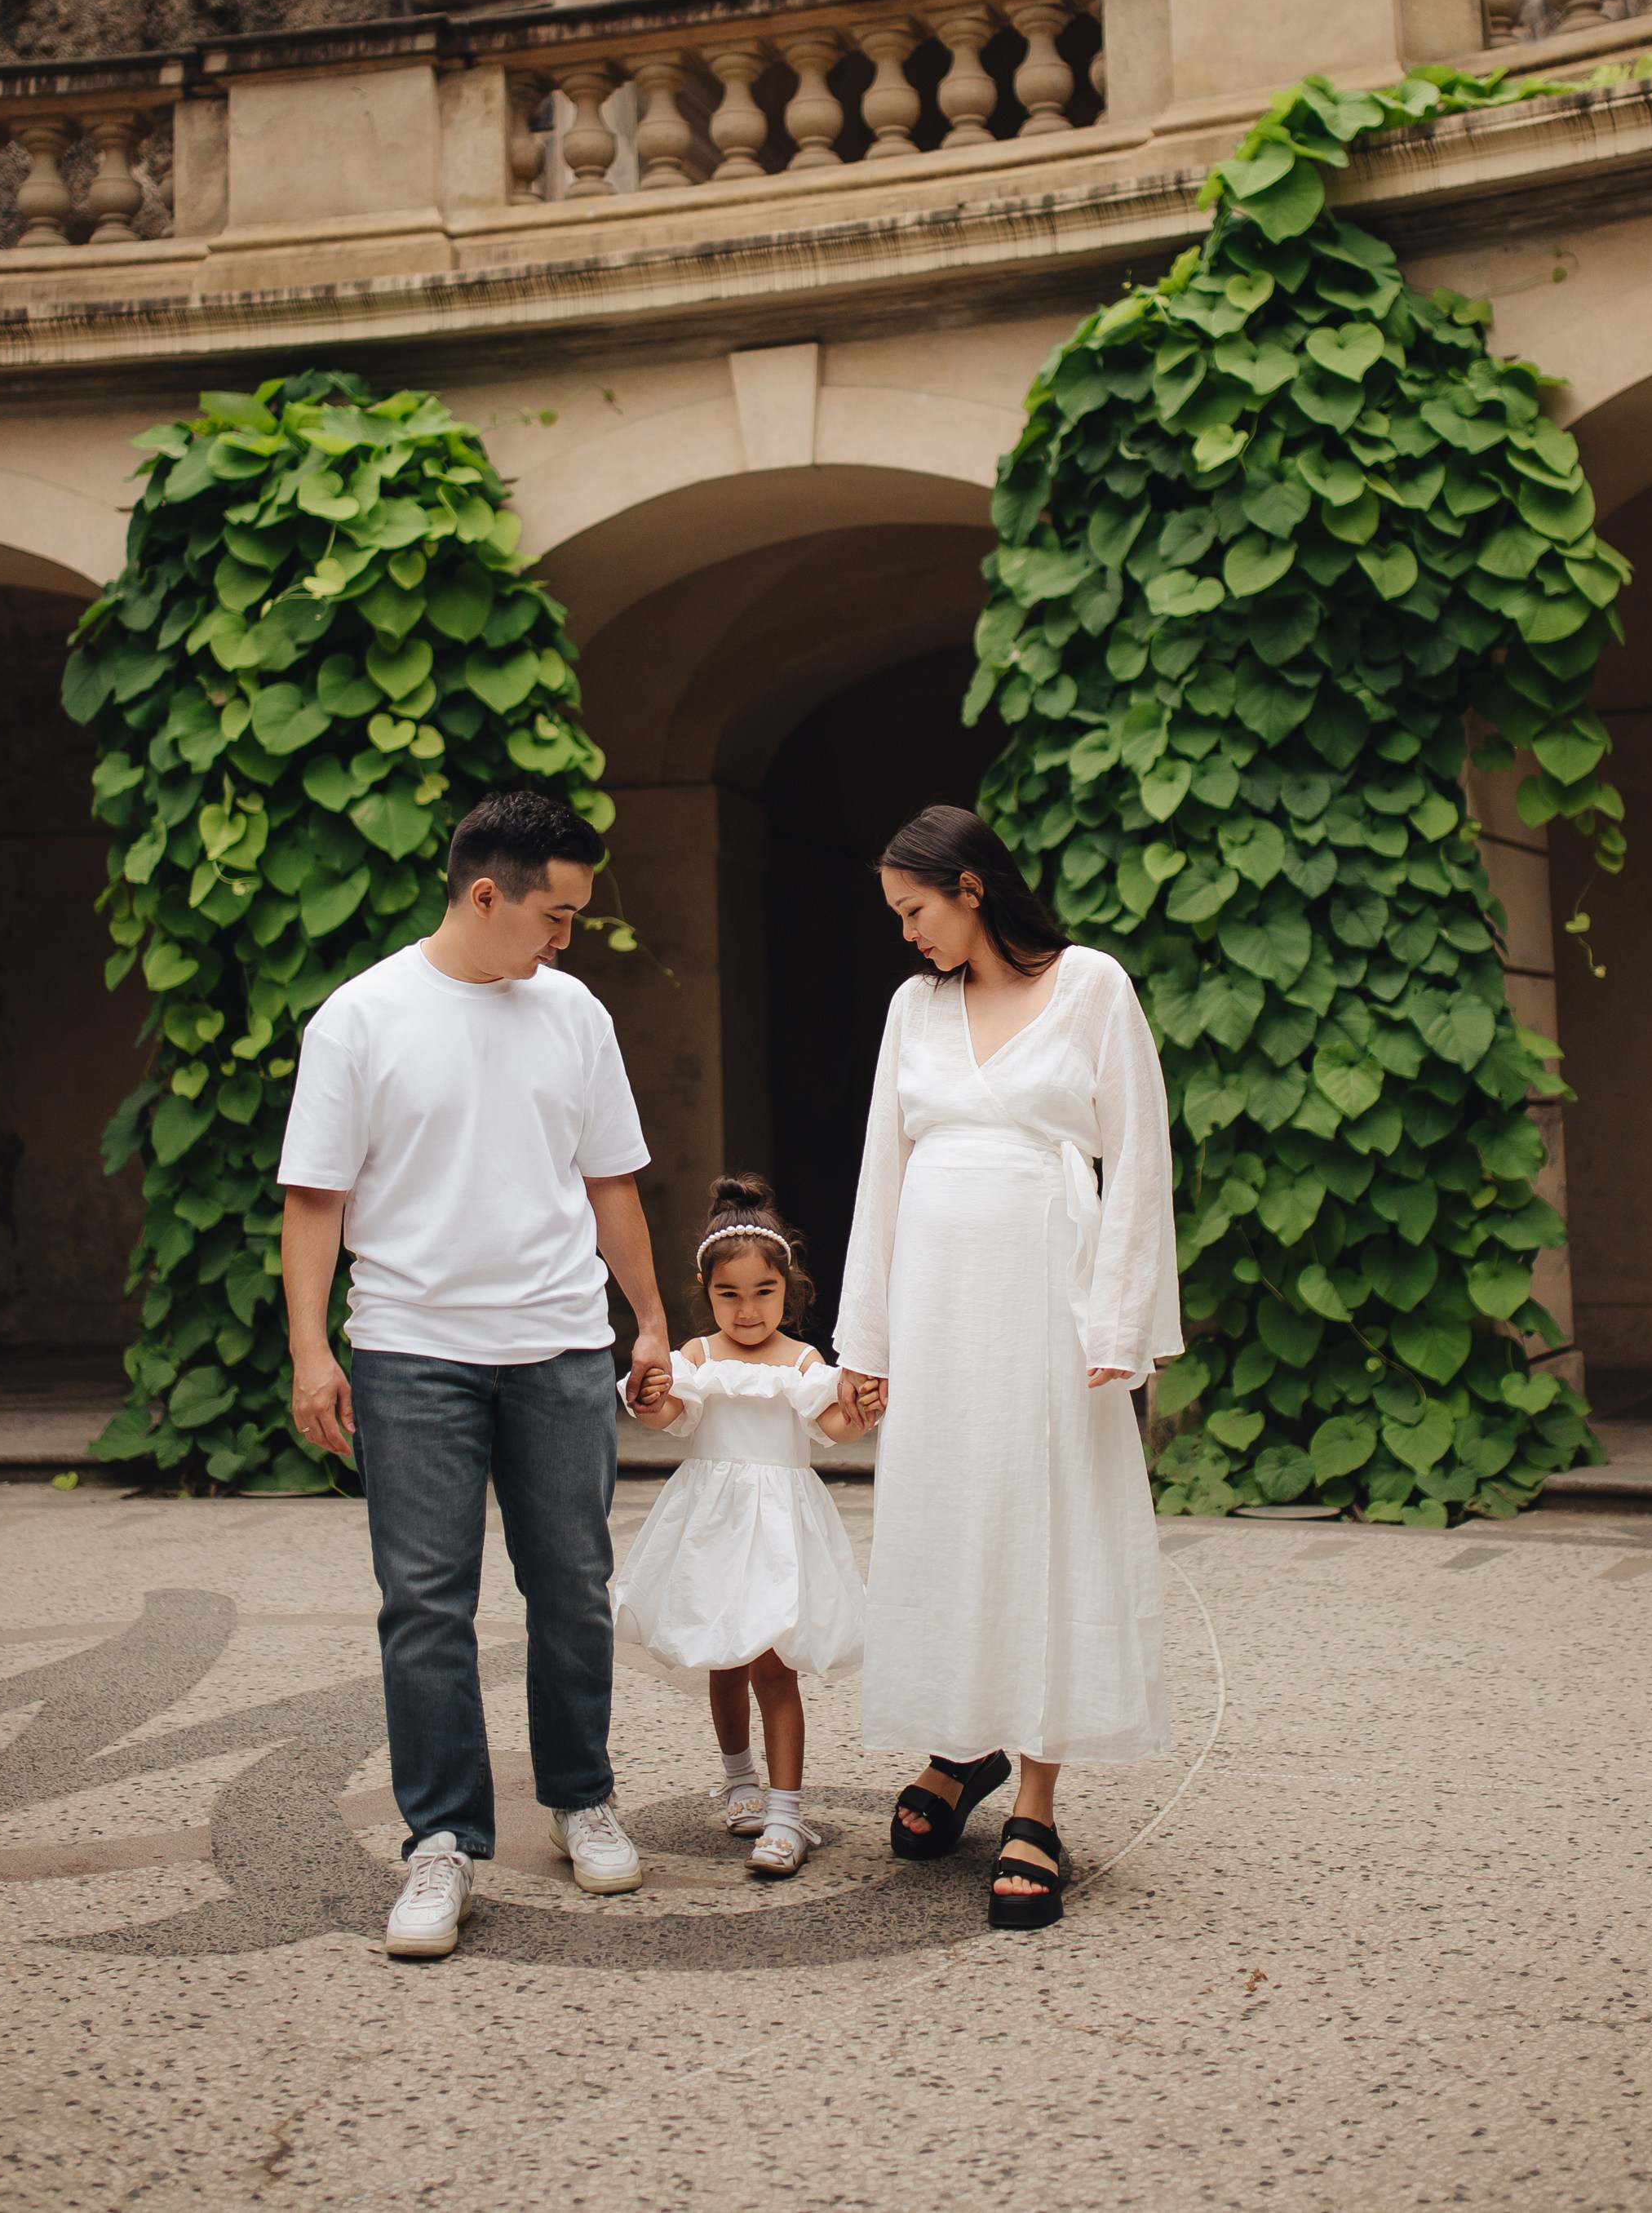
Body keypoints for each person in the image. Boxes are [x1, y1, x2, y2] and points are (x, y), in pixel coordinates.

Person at [277, 787, 673, 1962]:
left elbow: (611, 1182)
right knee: (425, 1610)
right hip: (410, 1352)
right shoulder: (362, 1019)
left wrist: (648, 1321)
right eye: (553, 917)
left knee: (572, 1586)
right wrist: (312, 1351)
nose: (564, 940)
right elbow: (315, 1200)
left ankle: (581, 1795)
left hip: (559, 1345)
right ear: (483, 894)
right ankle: (439, 1842)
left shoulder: (574, 1013)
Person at [834, 804, 1182, 1933]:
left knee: (1045, 1521)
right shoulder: (910, 1007)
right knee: (946, 1514)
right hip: (936, 1305)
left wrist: (1119, 1322)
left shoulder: (1092, 987)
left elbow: (1136, 1157)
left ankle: (1036, 1794)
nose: (906, 935)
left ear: (972, 888)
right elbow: (882, 1171)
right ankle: (959, 1743)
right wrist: (867, 1344)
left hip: (1047, 1296)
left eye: (915, 909)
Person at [616, 1174, 874, 1877]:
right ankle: (739, 1784)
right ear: (707, 1294)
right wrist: (647, 1398)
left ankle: (787, 1814)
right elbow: (667, 1417)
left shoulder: (804, 1362)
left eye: (763, 1293)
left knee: (773, 1665)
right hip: (714, 1528)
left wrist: (860, 1412)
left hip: (781, 1531)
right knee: (725, 1663)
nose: (748, 1309)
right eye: (729, 1295)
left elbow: (833, 1428)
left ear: (788, 1290)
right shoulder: (697, 1358)